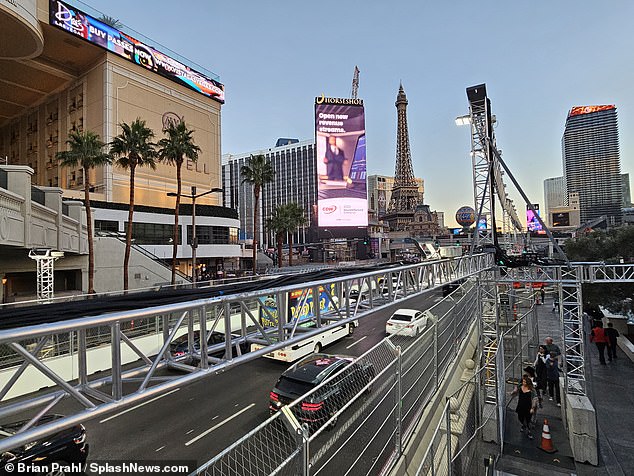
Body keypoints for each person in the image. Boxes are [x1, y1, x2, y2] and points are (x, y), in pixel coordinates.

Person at [510, 374, 538, 439]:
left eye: (525, 382)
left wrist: (533, 408)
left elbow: (534, 399)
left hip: (528, 406)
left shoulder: (532, 390)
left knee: (528, 419)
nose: (523, 383)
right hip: (521, 405)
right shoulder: (520, 386)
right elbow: (516, 389)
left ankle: (529, 431)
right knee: (520, 417)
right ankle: (524, 424)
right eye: (523, 381)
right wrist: (513, 392)